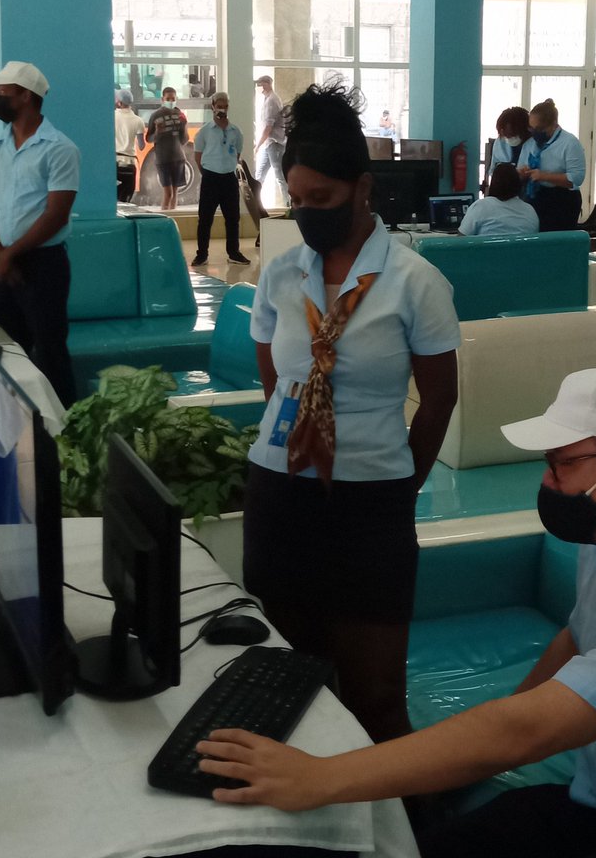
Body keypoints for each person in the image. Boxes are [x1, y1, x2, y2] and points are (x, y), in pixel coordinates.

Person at [196, 367, 596, 858]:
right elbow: (577, 640)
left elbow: (528, 730)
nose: (547, 483)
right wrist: (489, 750)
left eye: (563, 464)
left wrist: (319, 778)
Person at [241, 81, 460, 744]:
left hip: (371, 507)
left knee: (375, 695)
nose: (308, 214)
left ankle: (404, 809)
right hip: (280, 494)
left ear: (363, 188)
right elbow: (275, 378)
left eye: (323, 199)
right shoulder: (282, 275)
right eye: (297, 200)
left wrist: (399, 483)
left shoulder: (416, 283)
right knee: (289, 687)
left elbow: (439, 398)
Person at [0, 61, 80, 408]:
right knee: (5, 350)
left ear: (25, 96)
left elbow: (56, 215)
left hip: (43, 265)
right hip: (2, 264)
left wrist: (7, 255)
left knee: (49, 351)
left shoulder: (59, 148)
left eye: (3, 91)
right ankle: (14, 424)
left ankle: (62, 428)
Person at [191, 91, 249, 268]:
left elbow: (237, 154)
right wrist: (208, 172)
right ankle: (202, 254)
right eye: (219, 106)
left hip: (229, 178)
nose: (222, 109)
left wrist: (226, 167)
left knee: (233, 218)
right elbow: (198, 156)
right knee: (205, 218)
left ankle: (234, 253)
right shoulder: (204, 131)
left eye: (225, 106)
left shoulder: (235, 131)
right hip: (210, 178)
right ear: (213, 107)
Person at [517, 98, 586, 232]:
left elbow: (576, 178)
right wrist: (522, 173)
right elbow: (519, 169)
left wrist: (544, 176)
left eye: (539, 129)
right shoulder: (530, 144)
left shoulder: (569, 143)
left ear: (554, 124)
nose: (534, 133)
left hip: (562, 200)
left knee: (556, 240)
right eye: (531, 128)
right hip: (535, 196)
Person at [458, 163, 539, 237]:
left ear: (493, 183)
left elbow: (460, 240)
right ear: (518, 184)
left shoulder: (481, 206)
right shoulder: (530, 211)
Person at [146, 87, 189, 210]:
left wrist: (184, 125)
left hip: (178, 158)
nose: (171, 101)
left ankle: (173, 215)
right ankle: (165, 215)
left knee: (175, 193)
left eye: (173, 99)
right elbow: (149, 138)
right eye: (168, 99)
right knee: (168, 193)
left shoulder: (180, 115)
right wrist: (158, 132)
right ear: (162, 99)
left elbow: (184, 140)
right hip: (163, 159)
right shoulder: (156, 115)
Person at [254, 74, 289, 207]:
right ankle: (255, 204)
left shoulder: (272, 101)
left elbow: (269, 126)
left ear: (267, 84)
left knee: (280, 175)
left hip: (275, 143)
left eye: (260, 84)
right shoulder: (268, 99)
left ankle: (288, 204)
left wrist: (258, 145)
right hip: (269, 144)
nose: (259, 87)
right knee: (259, 175)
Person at [114, 89, 144, 203]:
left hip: (114, 163)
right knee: (125, 200)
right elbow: (141, 146)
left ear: (119, 103)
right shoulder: (138, 121)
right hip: (130, 164)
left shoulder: (111, 117)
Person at [488, 106, 531, 177]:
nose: (506, 137)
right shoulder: (500, 142)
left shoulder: (533, 144)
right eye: (503, 134)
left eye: (510, 134)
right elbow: (493, 171)